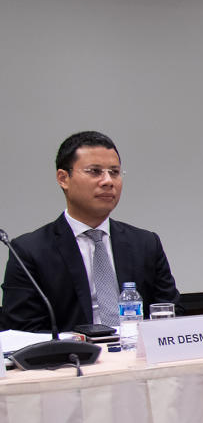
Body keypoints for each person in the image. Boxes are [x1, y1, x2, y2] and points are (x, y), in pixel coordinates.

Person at [1, 131, 180, 333]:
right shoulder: (30, 251)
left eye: (114, 172)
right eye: (95, 171)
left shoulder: (145, 243)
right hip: (73, 360)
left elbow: (171, 311)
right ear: (63, 178)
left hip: (136, 357)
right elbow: (21, 330)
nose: (108, 181)